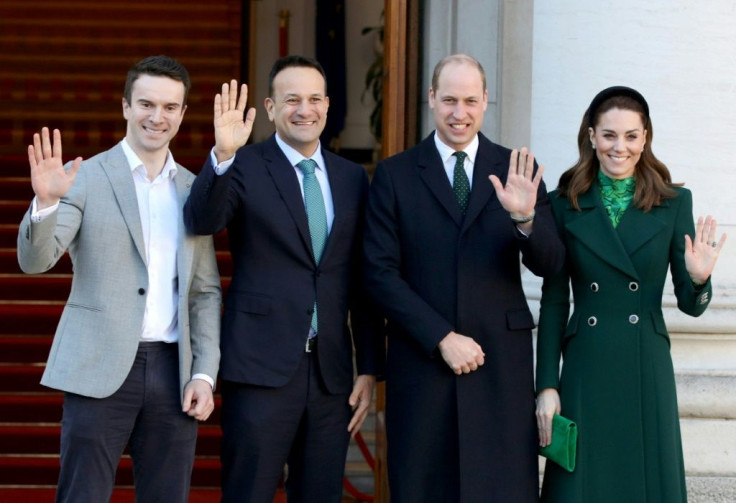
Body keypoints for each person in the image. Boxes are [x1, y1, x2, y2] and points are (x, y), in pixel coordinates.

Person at [16, 55, 221, 502]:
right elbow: (36, 261)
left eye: (170, 107)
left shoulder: (193, 188)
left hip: (173, 371)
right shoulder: (83, 177)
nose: (157, 117)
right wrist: (46, 203)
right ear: (126, 106)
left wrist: (204, 373)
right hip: (98, 367)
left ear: (183, 114)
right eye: (146, 104)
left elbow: (204, 292)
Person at [363, 53, 565, 502]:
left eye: (471, 101)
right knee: (422, 487)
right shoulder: (395, 175)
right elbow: (378, 274)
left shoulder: (519, 169)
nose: (460, 113)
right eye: (449, 99)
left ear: (486, 101)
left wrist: (526, 217)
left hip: (501, 368)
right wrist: (440, 336)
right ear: (431, 99)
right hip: (422, 365)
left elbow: (551, 264)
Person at [183, 55, 384, 503]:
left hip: (331, 375)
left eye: (314, 99)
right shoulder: (244, 164)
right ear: (271, 108)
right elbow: (202, 220)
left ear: (328, 106)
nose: (304, 109)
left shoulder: (352, 178)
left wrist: (368, 365)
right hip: (259, 369)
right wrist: (222, 155)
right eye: (291, 99)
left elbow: (360, 280)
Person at [535, 86, 726, 503]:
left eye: (631, 136)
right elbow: (553, 300)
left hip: (645, 362)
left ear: (645, 138)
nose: (619, 147)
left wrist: (698, 279)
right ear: (591, 136)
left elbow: (691, 305)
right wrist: (546, 384)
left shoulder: (674, 203)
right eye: (609, 135)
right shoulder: (563, 204)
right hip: (586, 364)